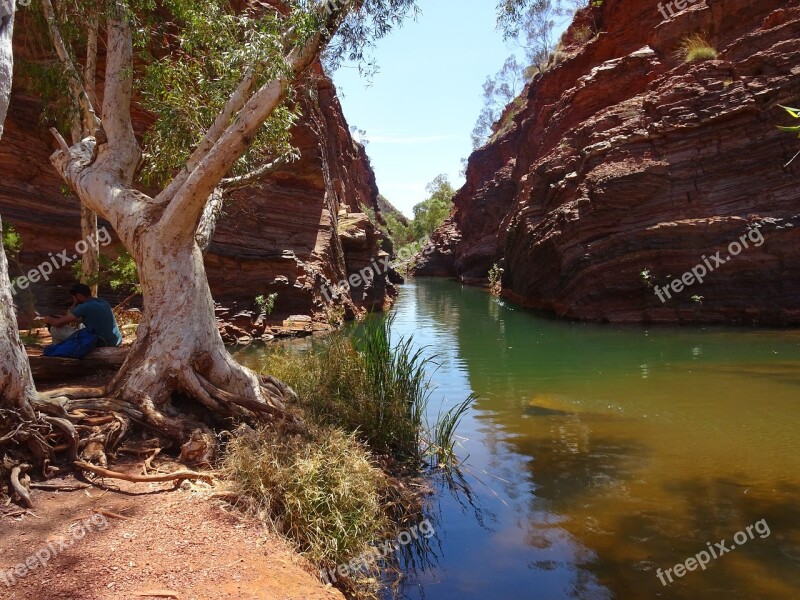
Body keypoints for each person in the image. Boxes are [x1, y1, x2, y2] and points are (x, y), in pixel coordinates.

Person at [43, 283, 123, 348]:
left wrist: (48, 320)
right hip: (114, 342)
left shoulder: (84, 307)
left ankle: (57, 352)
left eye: (73, 297)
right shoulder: (102, 302)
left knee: (55, 329)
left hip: (101, 343)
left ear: (79, 296)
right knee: (81, 326)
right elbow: (91, 319)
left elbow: (58, 323)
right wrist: (65, 318)